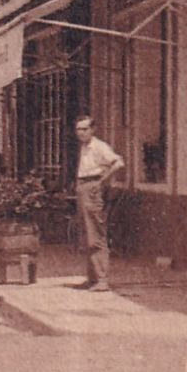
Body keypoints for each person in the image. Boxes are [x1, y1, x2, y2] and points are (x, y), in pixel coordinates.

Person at [73, 115, 125, 292]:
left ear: (93, 130)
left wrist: (101, 181)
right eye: (78, 129)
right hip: (83, 187)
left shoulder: (99, 146)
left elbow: (118, 163)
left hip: (92, 188)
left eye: (84, 129)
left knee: (96, 233)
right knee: (87, 234)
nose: (81, 133)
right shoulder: (85, 147)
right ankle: (93, 278)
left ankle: (102, 279)